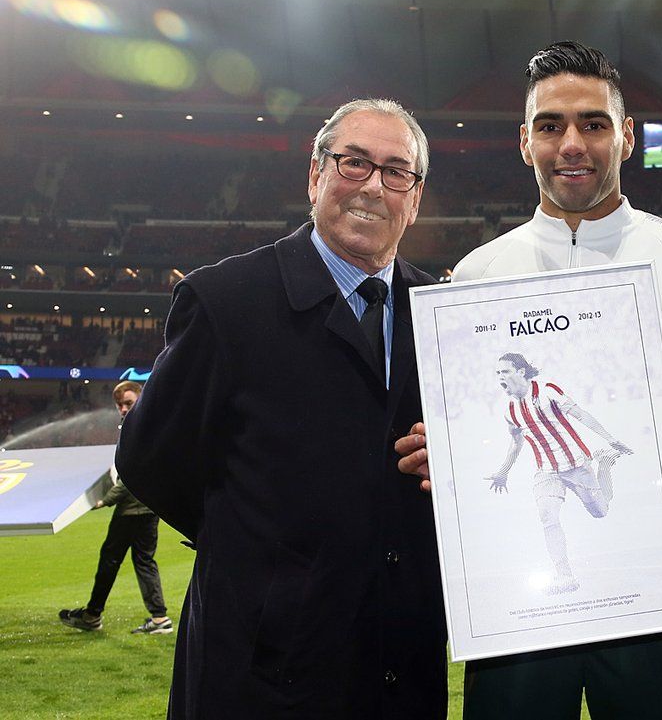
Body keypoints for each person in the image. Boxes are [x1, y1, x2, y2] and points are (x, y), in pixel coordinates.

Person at [397, 41, 662, 720]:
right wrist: (442, 451)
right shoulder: (474, 277)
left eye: (593, 123)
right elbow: (471, 426)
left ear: (625, 137)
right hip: (516, 598)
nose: (572, 143)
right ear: (524, 142)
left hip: (654, 578)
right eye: (550, 124)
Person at [116, 99, 447, 719]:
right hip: (261, 667)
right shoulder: (225, 302)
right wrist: (263, 550)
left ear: (416, 197)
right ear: (316, 174)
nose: (373, 187)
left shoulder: (443, 313)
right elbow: (148, 458)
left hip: (401, 657)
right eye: (355, 163)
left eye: (396, 171)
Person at [487, 352, 633, 595]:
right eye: (498, 373)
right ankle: (564, 576)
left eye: (505, 371)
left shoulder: (547, 391)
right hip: (546, 472)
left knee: (600, 512)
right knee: (547, 517)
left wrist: (610, 439)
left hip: (577, 464)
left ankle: (604, 465)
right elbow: (516, 444)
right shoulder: (510, 411)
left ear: (521, 371)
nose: (500, 377)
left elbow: (581, 414)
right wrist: (503, 472)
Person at [58, 381, 172, 635]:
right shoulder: (148, 426)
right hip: (147, 509)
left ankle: (93, 615)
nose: (122, 409)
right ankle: (157, 618)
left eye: (128, 403)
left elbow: (131, 478)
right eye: (119, 405)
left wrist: (104, 500)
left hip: (132, 511)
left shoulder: (141, 431)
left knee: (111, 560)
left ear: (140, 401)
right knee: (142, 561)